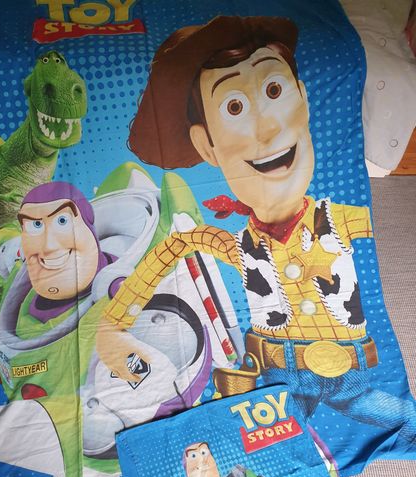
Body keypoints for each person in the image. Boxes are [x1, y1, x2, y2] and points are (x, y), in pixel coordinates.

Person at [94, 16, 416, 443]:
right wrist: (111, 326)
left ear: (303, 100)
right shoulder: (238, 247)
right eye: (234, 107)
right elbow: (177, 245)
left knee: (404, 422)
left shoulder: (344, 220)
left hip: (349, 375)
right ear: (207, 145)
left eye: (275, 91)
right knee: (237, 451)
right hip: (275, 384)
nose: (268, 127)